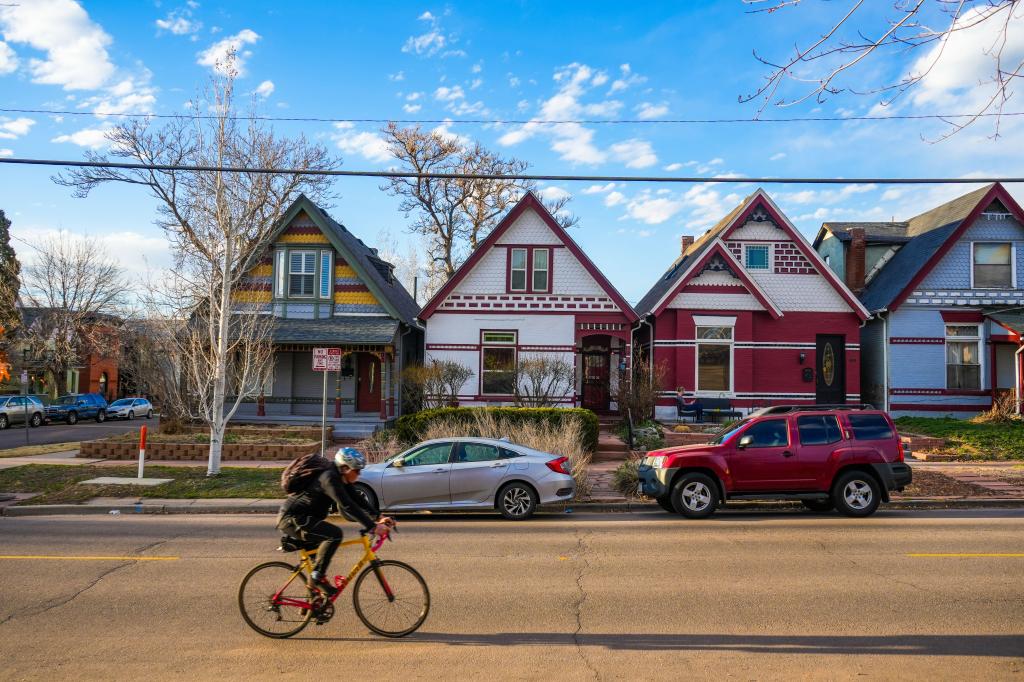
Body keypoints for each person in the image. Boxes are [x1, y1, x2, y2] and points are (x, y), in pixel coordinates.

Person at [276, 447, 393, 595]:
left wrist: (378, 516)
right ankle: (317, 578)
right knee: (334, 535)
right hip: (293, 519)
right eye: (356, 470)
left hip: (306, 519)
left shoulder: (340, 477)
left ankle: (312, 605)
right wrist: (372, 527)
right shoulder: (329, 478)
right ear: (344, 467)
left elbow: (356, 498)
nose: (359, 473)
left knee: (319, 561)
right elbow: (347, 505)